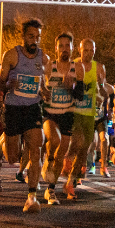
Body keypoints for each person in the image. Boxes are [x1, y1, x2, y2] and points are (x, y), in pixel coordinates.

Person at [0, 18, 49, 213]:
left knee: (36, 147)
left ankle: (32, 196)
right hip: (13, 108)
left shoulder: (43, 58)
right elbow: (0, 82)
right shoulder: (11, 55)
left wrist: (44, 91)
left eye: (37, 37)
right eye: (31, 36)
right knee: (12, 157)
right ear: (23, 37)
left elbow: (41, 82)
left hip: (32, 108)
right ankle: (4, 142)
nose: (34, 40)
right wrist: (10, 85)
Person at [40, 33, 84, 205]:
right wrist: (43, 91)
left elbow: (80, 95)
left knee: (61, 155)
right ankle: (47, 158)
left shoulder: (78, 68)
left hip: (68, 113)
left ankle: (50, 190)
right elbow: (39, 86)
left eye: (68, 46)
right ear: (56, 48)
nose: (65, 49)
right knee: (54, 139)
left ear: (72, 48)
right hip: (50, 113)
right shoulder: (49, 67)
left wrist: (71, 88)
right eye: (61, 46)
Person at [65, 38, 107, 199]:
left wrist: (101, 86)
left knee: (84, 149)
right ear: (79, 50)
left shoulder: (99, 68)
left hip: (89, 113)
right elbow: (66, 87)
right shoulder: (73, 65)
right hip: (74, 111)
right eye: (85, 50)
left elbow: (103, 93)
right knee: (77, 142)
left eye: (92, 51)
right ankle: (67, 159)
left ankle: (71, 181)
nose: (88, 54)